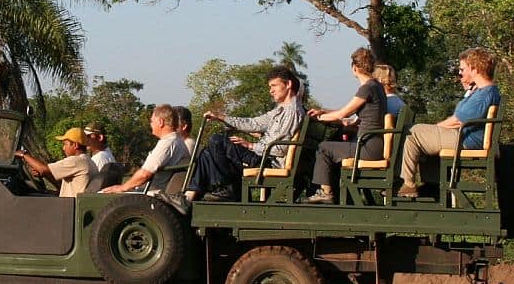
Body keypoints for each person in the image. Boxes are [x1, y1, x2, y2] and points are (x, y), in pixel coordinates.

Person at [180, 66, 304, 203]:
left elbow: (280, 150)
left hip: (266, 161)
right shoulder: (281, 110)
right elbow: (253, 123)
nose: (271, 90)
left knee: (216, 140)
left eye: (274, 85)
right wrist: (221, 117)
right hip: (262, 156)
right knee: (207, 152)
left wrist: (251, 145)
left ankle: (226, 189)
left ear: (288, 84)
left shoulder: (292, 111)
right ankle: (191, 195)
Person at [398, 48, 501, 198]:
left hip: (467, 140)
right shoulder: (483, 91)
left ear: (475, 68)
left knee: (412, 132)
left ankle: (408, 184)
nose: (461, 73)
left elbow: (457, 121)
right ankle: (432, 184)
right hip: (465, 137)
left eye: (463, 69)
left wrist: (434, 128)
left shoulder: (484, 94)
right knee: (423, 135)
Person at [305, 48, 387, 204]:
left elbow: (342, 115)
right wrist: (324, 112)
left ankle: (326, 192)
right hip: (374, 145)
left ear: (355, 68)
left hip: (367, 147)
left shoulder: (367, 88)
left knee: (324, 147)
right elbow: (348, 116)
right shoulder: (377, 87)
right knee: (334, 149)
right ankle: (339, 194)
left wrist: (320, 117)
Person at [100, 104, 190, 194]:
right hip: (154, 192)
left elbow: (145, 174)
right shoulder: (177, 141)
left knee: (102, 193)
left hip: (153, 195)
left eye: (152, 121)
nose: (150, 124)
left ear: (160, 122)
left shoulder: (167, 143)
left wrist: (123, 187)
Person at [14, 127, 98, 198]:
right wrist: (46, 174)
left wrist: (23, 154)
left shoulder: (76, 161)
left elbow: (42, 169)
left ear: (75, 145)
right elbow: (60, 184)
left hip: (69, 207)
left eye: (65, 144)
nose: (63, 148)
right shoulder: (88, 161)